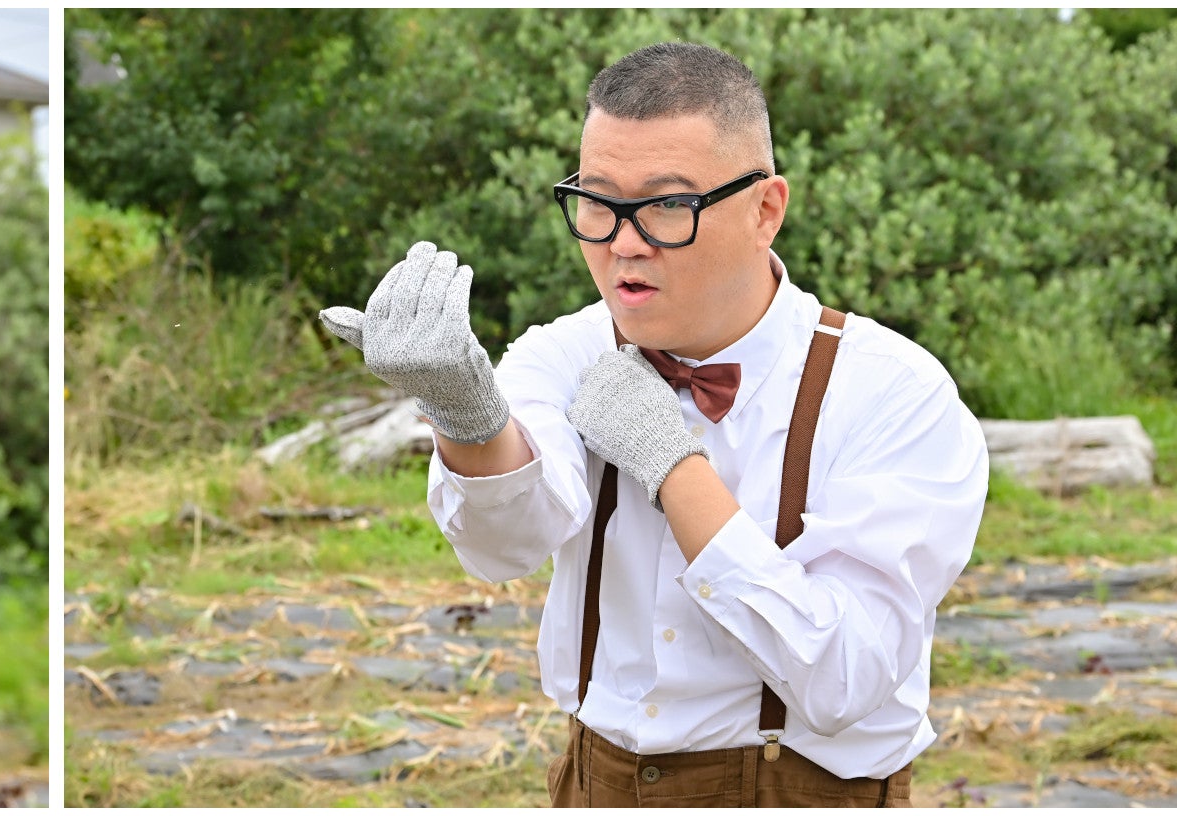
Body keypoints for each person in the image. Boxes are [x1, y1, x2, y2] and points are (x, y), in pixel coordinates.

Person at [319, 42, 985, 807]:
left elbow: (843, 674)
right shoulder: (563, 350)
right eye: (597, 201)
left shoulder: (891, 391)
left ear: (766, 209)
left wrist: (674, 468)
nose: (623, 241)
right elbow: (506, 547)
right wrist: (464, 415)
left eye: (668, 205)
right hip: (591, 783)